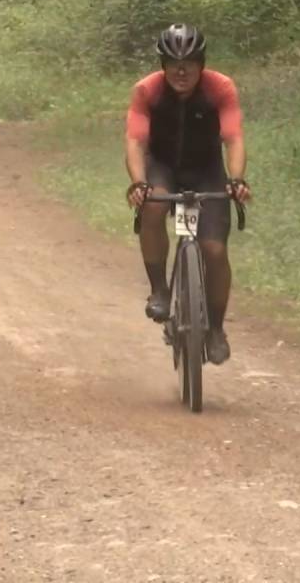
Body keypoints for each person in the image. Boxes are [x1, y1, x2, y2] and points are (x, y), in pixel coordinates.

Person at [125, 24, 251, 365]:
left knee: (214, 249)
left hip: (206, 169)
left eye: (190, 63)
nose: (182, 71)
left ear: (202, 63)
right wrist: (138, 183)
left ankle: (216, 329)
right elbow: (136, 141)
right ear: (163, 65)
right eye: (174, 63)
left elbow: (234, 137)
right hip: (162, 166)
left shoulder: (220, 88)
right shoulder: (147, 91)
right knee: (152, 207)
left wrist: (237, 179)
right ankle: (160, 290)